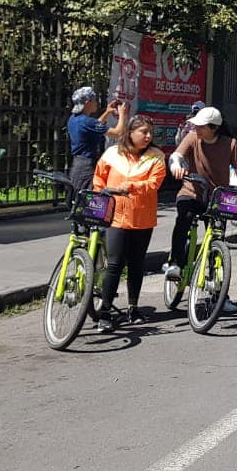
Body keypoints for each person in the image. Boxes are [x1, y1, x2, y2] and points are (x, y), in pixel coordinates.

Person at [165, 107, 237, 313]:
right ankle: (175, 264)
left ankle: (219, 294)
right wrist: (176, 166)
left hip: (217, 198)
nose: (196, 127)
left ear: (213, 128)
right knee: (184, 217)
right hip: (191, 191)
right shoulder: (191, 138)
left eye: (200, 125)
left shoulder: (230, 144)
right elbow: (176, 156)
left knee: (217, 245)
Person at [92, 115, 166, 332]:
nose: (148, 136)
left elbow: (154, 183)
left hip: (142, 218)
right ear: (130, 133)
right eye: (143, 132)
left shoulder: (156, 156)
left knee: (136, 264)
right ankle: (104, 311)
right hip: (114, 217)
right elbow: (99, 180)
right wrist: (100, 197)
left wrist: (130, 186)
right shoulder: (112, 154)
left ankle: (133, 308)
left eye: (150, 132)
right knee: (114, 265)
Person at [67, 87, 127, 194]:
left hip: (78, 164)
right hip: (87, 166)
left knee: (82, 197)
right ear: (87, 102)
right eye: (94, 100)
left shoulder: (74, 119)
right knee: (91, 198)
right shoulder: (88, 122)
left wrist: (107, 112)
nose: (96, 103)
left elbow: (95, 125)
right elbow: (117, 133)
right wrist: (122, 114)